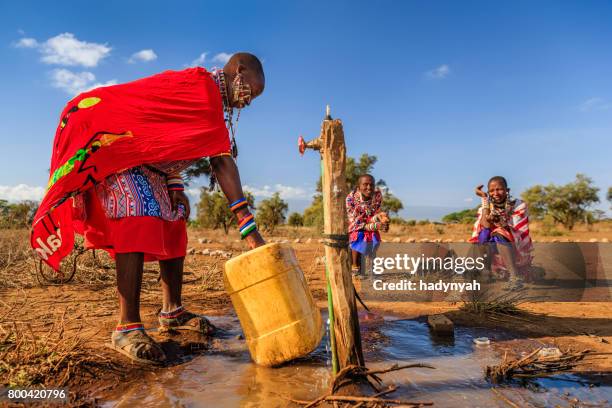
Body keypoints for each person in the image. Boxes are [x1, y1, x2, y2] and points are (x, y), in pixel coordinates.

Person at [32, 53, 266, 365]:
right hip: (113, 144)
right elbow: (221, 160)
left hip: (145, 161)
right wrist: (248, 227)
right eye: (251, 91)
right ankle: (126, 327)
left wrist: (175, 187)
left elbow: (168, 139)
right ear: (240, 70)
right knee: (137, 213)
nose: (248, 102)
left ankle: (172, 312)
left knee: (174, 220)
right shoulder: (201, 88)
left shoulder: (208, 99)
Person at [469, 176, 533, 290]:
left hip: (516, 245)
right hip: (496, 246)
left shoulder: (519, 205)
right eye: (491, 191)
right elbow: (486, 225)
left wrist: (499, 221)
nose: (495, 193)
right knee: (483, 233)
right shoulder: (487, 206)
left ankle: (514, 278)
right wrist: (484, 199)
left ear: (507, 190)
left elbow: (516, 231)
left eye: (499, 189)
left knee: (499, 232)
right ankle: (487, 272)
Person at [346, 174, 389, 275]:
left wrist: (381, 218)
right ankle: (355, 266)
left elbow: (375, 214)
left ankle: (372, 266)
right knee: (358, 235)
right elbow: (354, 221)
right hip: (354, 225)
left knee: (374, 237)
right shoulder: (350, 199)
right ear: (358, 187)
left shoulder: (377, 195)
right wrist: (374, 225)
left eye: (371, 185)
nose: (369, 187)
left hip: (368, 221)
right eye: (365, 184)